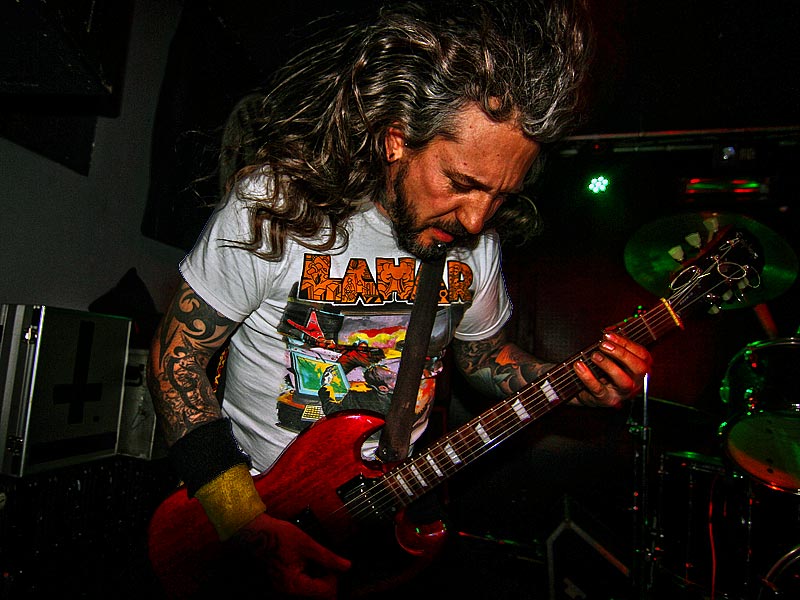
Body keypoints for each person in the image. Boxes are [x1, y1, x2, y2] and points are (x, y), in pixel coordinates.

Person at [146, 0, 653, 597]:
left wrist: (570, 382)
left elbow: (483, 357)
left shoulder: (477, 241)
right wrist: (245, 522)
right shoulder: (279, 205)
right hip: (256, 506)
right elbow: (176, 359)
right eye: (461, 183)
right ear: (395, 139)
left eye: (500, 196)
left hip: (382, 514)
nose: (477, 218)